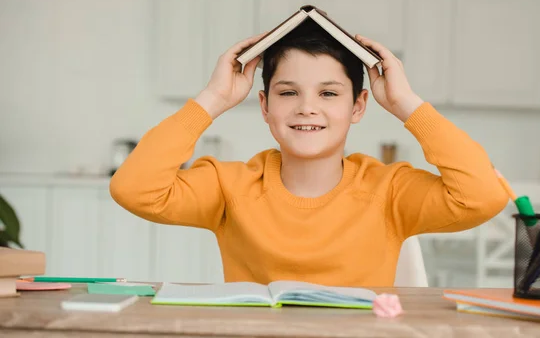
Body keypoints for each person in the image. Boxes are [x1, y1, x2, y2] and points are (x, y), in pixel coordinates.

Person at [110, 19, 508, 287]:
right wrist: (213, 99)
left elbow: (483, 196)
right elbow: (134, 189)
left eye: (329, 93)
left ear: (358, 106)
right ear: (265, 107)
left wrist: (406, 103)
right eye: (288, 93)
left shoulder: (389, 191)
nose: (307, 108)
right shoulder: (228, 186)